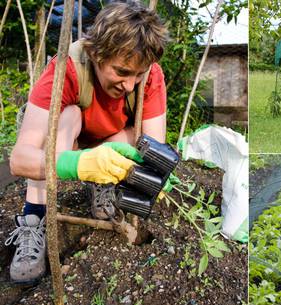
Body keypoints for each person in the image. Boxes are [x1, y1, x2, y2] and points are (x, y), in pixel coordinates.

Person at [5, 1, 169, 284]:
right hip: (66, 141)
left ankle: (101, 183)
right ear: (95, 54)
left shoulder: (150, 76)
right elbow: (20, 159)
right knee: (65, 116)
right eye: (120, 72)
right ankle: (33, 219)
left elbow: (154, 147)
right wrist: (79, 163)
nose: (129, 85)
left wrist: (154, 177)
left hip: (109, 140)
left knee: (141, 140)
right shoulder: (65, 69)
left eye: (137, 74)